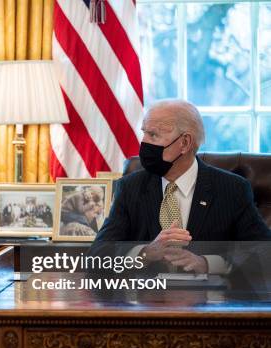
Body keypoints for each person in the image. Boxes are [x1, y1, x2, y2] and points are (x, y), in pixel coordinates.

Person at [94, 99, 270, 273]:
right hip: (146, 297)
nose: (143, 143)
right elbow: (97, 257)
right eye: (144, 133)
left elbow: (263, 252)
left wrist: (207, 264)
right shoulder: (130, 187)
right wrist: (145, 253)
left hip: (210, 297)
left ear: (185, 143)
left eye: (153, 135)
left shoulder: (232, 189)